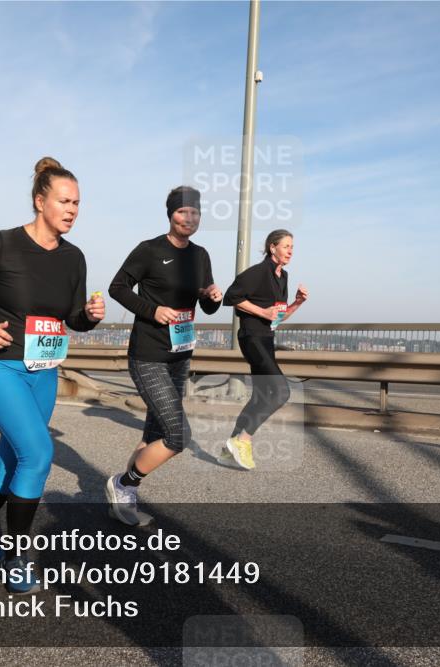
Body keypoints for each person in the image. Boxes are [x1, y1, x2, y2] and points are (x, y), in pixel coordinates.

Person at [0, 157, 104, 594]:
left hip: (43, 368)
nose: (72, 209)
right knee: (37, 454)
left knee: (12, 459)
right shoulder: (4, 244)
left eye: (77, 203)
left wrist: (88, 316)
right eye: (64, 201)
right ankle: (17, 558)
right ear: (40, 201)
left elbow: (70, 318)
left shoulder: (74, 257)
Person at [105, 185, 223, 525]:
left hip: (180, 354)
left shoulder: (200, 255)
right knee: (177, 436)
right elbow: (118, 287)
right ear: (170, 214)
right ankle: (122, 483)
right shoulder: (149, 250)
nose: (189, 218)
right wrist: (153, 310)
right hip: (148, 354)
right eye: (183, 212)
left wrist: (212, 296)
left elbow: (207, 305)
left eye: (195, 212)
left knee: (154, 436)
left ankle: (124, 495)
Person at [221, 229, 308, 469]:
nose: (290, 250)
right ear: (272, 247)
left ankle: (229, 448)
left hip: (267, 338)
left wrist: (297, 302)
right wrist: (261, 312)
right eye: (286, 246)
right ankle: (243, 440)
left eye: (292, 246)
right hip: (252, 338)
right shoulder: (258, 272)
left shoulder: (283, 277)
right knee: (281, 393)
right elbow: (231, 297)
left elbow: (278, 316)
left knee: (260, 397)